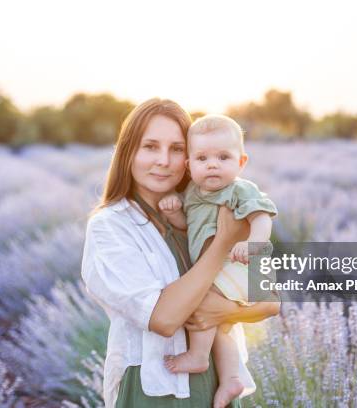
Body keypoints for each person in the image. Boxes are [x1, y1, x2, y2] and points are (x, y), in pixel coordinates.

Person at [81, 98, 281, 408]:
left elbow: (269, 303)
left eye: (176, 149)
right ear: (128, 152)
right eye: (150, 147)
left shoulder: (213, 208)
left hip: (218, 386)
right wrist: (224, 242)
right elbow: (163, 318)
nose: (164, 160)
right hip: (156, 392)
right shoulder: (111, 226)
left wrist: (227, 312)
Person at [159, 114, 277, 407]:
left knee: (198, 301)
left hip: (239, 266)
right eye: (202, 158)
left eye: (223, 157)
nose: (212, 164)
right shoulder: (192, 193)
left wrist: (253, 243)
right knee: (221, 325)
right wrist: (175, 213)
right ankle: (231, 379)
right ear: (189, 165)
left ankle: (198, 356)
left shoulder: (240, 189)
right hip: (218, 268)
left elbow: (261, 217)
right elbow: (191, 229)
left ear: (241, 162)